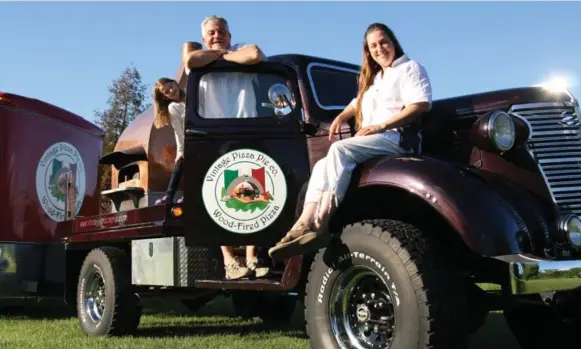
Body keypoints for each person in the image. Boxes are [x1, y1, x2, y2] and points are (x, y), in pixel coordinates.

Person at [268, 22, 433, 261]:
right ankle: (303, 224)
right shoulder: (377, 78)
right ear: (368, 51)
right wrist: (343, 115)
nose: (379, 48)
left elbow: (421, 105)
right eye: (373, 45)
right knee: (323, 165)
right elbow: (357, 102)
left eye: (383, 42)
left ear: (393, 42)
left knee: (339, 149)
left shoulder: (409, 68)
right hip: (376, 139)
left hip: (397, 138)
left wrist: (381, 125)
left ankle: (321, 224)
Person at [181, 15, 269, 280]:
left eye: (221, 31)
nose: (216, 35)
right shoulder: (198, 54)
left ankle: (252, 257)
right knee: (220, 198)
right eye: (211, 32)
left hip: (247, 129)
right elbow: (190, 61)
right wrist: (222, 55)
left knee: (255, 191)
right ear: (204, 36)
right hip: (213, 132)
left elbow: (254, 55)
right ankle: (230, 260)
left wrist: (221, 56)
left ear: (230, 36)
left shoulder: (241, 46)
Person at [151, 78, 187, 205]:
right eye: (167, 92)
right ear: (165, 97)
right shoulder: (173, 108)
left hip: (204, 134)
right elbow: (178, 131)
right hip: (189, 139)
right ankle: (169, 196)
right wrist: (180, 151)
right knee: (181, 163)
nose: (171, 91)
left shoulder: (191, 94)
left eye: (171, 86)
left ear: (176, 83)